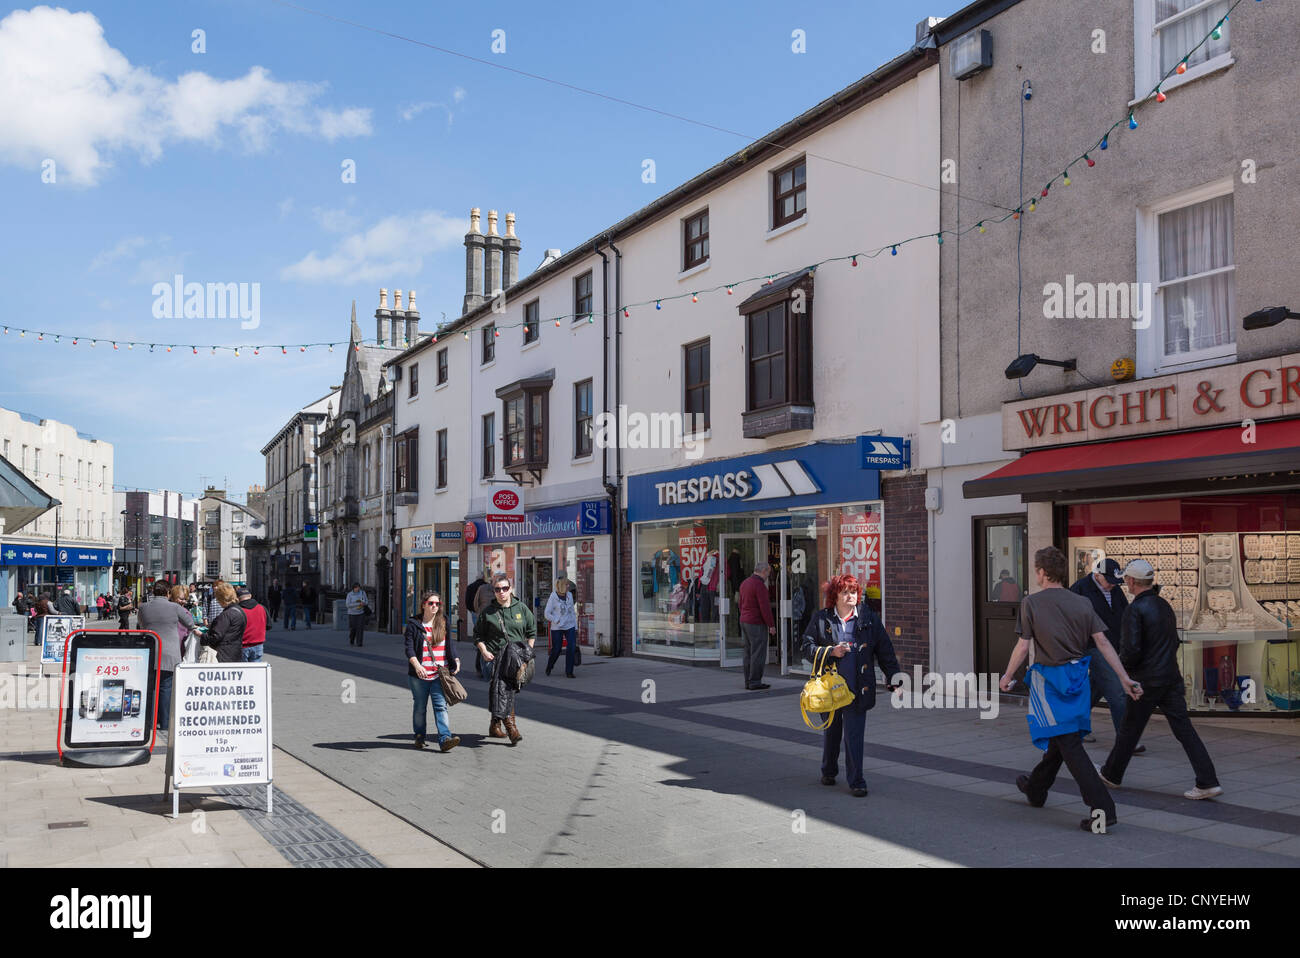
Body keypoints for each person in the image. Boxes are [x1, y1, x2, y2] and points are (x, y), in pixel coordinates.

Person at [999, 546, 1142, 832]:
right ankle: (1035, 788)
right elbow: (1103, 643)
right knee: (1060, 740)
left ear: (1041, 572)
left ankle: (1103, 808)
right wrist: (1124, 678)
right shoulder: (1082, 603)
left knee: (1068, 744)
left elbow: (1024, 645)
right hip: (1078, 678)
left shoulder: (1032, 603)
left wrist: (1007, 675)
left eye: (1036, 570)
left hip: (1051, 681)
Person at [1099, 559, 1223, 800]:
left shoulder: (1134, 610)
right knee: (1183, 730)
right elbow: (1172, 641)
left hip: (1146, 680)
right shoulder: (1164, 605)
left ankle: (1112, 774)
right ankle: (1208, 780)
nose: (1125, 582)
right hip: (1170, 677)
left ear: (1132, 581)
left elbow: (1132, 650)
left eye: (1126, 579)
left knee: (1129, 729)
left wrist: (1125, 673)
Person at [801, 574, 902, 798]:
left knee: (854, 736)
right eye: (845, 592)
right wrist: (830, 652)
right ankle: (829, 770)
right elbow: (806, 647)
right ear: (834, 596)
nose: (851, 596)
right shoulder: (822, 619)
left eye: (854, 592)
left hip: (858, 687)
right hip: (831, 689)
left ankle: (857, 781)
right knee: (832, 732)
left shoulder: (868, 618)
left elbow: (884, 649)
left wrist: (893, 676)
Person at [1070, 557, 1144, 753]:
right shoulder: (1080, 589)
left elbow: (1125, 613)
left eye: (1116, 581)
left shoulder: (1115, 590)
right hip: (1092, 646)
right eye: (1109, 580)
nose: (1113, 584)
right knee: (1117, 691)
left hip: (1113, 646)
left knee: (1096, 688)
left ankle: (1075, 728)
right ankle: (1126, 739)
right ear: (1097, 575)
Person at [472, 573, 536, 745]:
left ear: (510, 589)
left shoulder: (521, 608)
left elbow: (531, 632)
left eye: (505, 589)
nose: (501, 592)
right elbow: (477, 635)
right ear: (494, 591)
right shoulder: (488, 612)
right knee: (505, 689)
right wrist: (484, 651)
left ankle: (495, 724)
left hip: (515, 659)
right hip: (494, 658)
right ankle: (511, 727)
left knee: (502, 690)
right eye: (498, 589)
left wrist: (527, 654)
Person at [404, 590, 461, 751]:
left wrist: (455, 660)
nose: (434, 606)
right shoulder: (414, 624)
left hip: (438, 674)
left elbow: (450, 645)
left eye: (437, 603)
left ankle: (445, 739)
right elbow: (409, 649)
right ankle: (419, 736)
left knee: (440, 706)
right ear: (424, 605)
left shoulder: (443, 622)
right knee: (420, 708)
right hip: (419, 675)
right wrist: (418, 666)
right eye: (431, 603)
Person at [136, 581, 196, 733]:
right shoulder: (175, 607)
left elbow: (141, 626)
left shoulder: (143, 608)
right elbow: (190, 623)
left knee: (151, 687)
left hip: (150, 651)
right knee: (166, 688)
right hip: (169, 652)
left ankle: (150, 721)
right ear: (168, 593)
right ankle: (164, 723)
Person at [737, 562, 776, 690]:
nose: (768, 576)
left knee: (748, 652)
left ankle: (748, 680)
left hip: (744, 620)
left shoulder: (745, 583)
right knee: (758, 652)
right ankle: (755, 681)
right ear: (763, 571)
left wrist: (743, 615)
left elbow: (740, 603)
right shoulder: (759, 585)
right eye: (768, 573)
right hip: (756, 622)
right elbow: (765, 607)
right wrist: (771, 625)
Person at [202, 583, 247, 663]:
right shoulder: (240, 610)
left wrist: (201, 635)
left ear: (221, 598)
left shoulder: (226, 614)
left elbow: (215, 637)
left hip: (224, 654)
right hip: (236, 651)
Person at [544, 576, 578, 678]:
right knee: (557, 649)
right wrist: (556, 620)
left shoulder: (570, 595)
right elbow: (547, 613)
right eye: (566, 584)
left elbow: (572, 611)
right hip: (557, 627)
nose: (568, 586)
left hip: (570, 625)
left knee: (571, 648)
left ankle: (569, 671)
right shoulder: (553, 596)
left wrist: (575, 627)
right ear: (562, 585)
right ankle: (550, 666)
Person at [235, 586, 268, 662]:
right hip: (258, 644)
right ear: (250, 596)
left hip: (242, 645)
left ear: (238, 598)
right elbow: (269, 625)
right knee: (255, 671)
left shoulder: (237, 610)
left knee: (242, 671)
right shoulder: (262, 608)